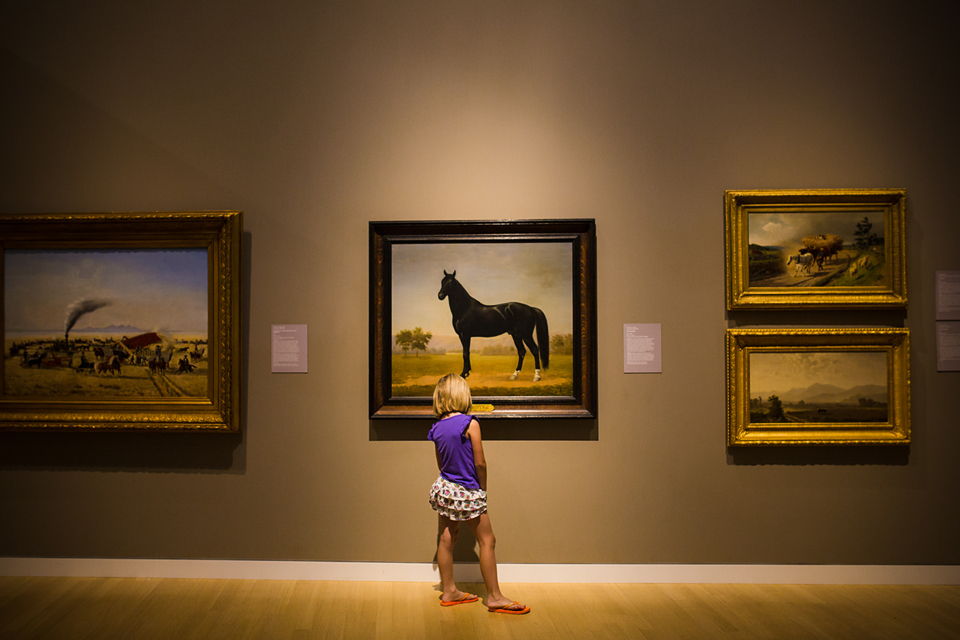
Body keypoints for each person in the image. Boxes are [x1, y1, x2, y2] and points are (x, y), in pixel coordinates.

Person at [427, 373, 530, 614]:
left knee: (447, 538)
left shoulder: (437, 427)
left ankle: (449, 590)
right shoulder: (470, 423)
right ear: (462, 395)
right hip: (468, 488)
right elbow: (480, 463)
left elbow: (441, 464)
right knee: (487, 540)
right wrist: (482, 490)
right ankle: (494, 596)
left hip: (446, 488)